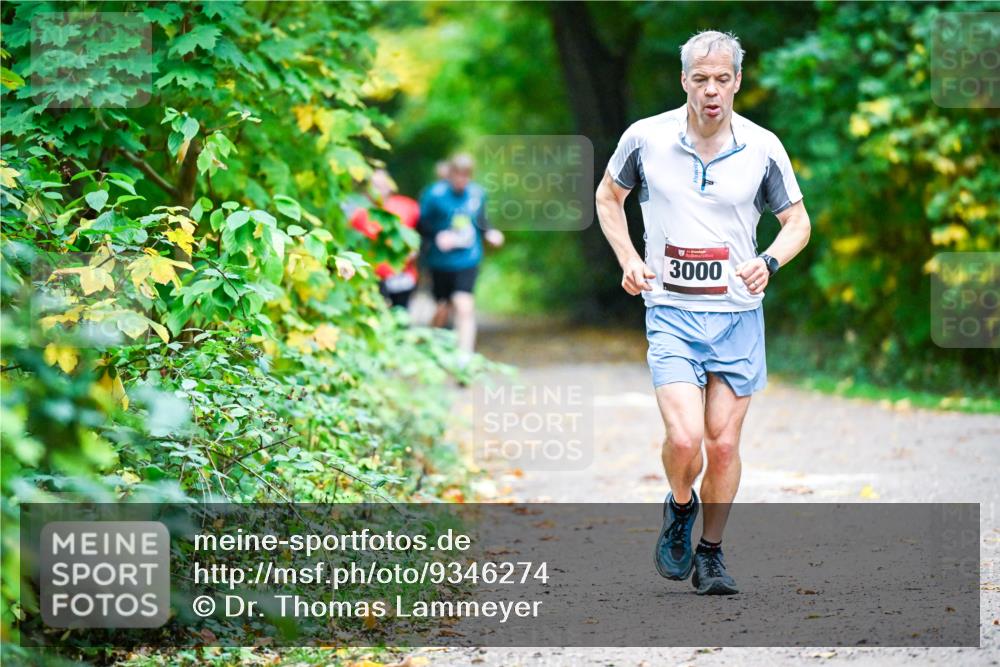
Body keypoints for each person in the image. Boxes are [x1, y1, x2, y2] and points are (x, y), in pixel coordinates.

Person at [595, 30, 811, 595]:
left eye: (722, 79)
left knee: (722, 445)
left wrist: (770, 260)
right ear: (684, 80)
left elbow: (798, 224)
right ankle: (680, 505)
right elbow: (607, 197)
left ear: (737, 81)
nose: (711, 90)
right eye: (700, 79)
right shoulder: (645, 138)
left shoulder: (763, 147)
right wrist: (630, 257)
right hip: (670, 310)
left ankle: (711, 555)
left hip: (738, 315)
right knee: (687, 439)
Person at [418, 153, 504, 355]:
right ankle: (432, 349)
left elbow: (482, 221)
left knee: (464, 305)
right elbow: (421, 225)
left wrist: (491, 233)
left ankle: (464, 358)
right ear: (450, 174)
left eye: (466, 175)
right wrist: (437, 236)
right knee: (442, 309)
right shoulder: (434, 195)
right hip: (441, 261)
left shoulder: (477, 194)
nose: (461, 180)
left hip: (468, 258)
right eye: (458, 175)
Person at [349, 169, 420, 309]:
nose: (378, 190)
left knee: (400, 316)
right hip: (372, 278)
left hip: (401, 277)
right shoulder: (359, 214)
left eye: (381, 185)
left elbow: (419, 235)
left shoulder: (408, 207)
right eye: (374, 185)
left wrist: (414, 251)